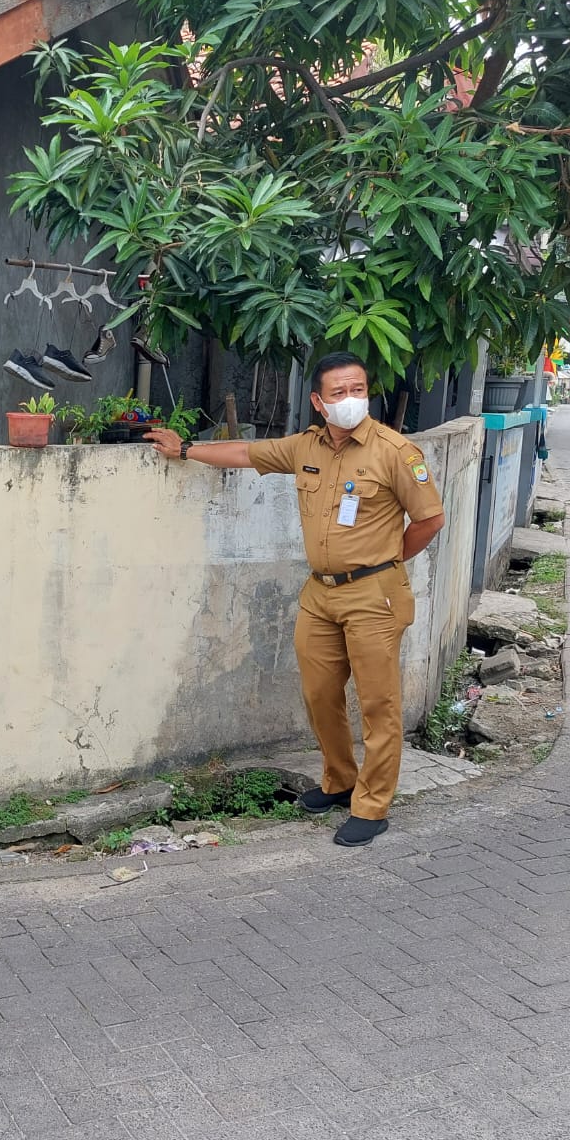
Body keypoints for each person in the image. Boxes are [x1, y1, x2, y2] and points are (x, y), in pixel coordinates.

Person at [144, 353, 446, 847]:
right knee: (319, 695)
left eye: (357, 390)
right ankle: (340, 780)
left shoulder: (395, 451)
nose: (350, 400)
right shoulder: (306, 447)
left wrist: (388, 562)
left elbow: (431, 519)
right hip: (319, 594)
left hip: (374, 594)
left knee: (378, 703)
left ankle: (371, 805)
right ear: (318, 402)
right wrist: (185, 450)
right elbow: (247, 453)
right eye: (338, 393)